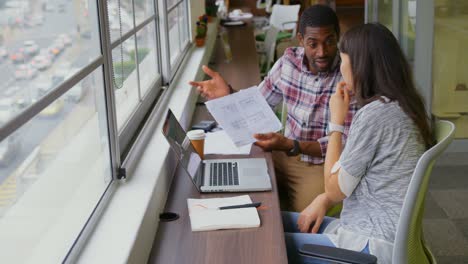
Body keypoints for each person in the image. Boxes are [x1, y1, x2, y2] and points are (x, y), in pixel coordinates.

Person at [281, 23, 434, 264]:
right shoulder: (406, 106)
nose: (341, 70)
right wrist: (323, 200)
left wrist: (336, 123)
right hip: (379, 235)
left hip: (369, 246)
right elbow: (344, 179)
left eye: (343, 61)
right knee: (272, 223)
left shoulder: (375, 115)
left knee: (271, 244)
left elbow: (334, 188)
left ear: (360, 66)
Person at [189, 5, 358, 212]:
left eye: (329, 42)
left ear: (337, 37)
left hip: (319, 165)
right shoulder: (289, 62)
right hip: (281, 154)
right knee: (241, 192)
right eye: (313, 44)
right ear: (301, 40)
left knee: (305, 220)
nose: (322, 52)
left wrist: (291, 145)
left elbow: (343, 142)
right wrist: (229, 93)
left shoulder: (348, 76)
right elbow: (260, 103)